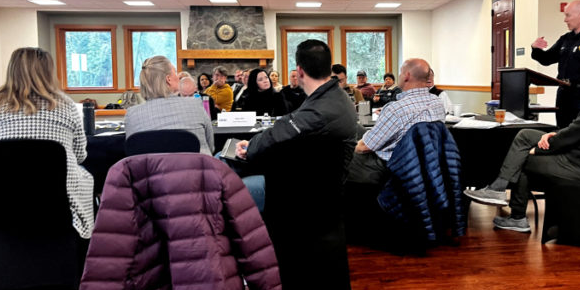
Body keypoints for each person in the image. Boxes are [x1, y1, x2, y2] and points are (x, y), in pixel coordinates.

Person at [464, 48, 580, 233]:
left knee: (524, 159)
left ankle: (516, 215)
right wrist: (554, 135)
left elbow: (575, 135)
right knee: (526, 135)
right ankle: (499, 189)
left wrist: (541, 149)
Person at [0, 47, 94, 249]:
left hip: (2, 198)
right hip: (57, 200)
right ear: (48, 72)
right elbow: (79, 155)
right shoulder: (65, 105)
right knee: (85, 176)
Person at [234, 40, 357, 170]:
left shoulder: (320, 109)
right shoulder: (336, 96)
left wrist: (250, 146)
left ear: (299, 71)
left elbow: (281, 132)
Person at [346, 58, 446, 187]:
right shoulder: (437, 103)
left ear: (407, 76)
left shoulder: (396, 109)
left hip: (386, 167)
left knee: (338, 155)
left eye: (400, 72)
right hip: (421, 163)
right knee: (356, 127)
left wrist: (347, 147)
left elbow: (363, 148)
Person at [531, 0, 580, 128]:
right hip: (564, 93)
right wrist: (535, 48)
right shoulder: (566, 39)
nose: (565, 20)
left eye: (568, 15)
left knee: (579, 133)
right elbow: (547, 59)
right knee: (562, 130)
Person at [125, 55, 215, 155]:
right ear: (168, 79)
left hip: (152, 170)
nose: (178, 76)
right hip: (197, 168)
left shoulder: (132, 115)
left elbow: (133, 155)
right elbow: (210, 146)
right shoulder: (195, 104)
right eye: (175, 72)